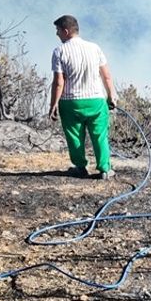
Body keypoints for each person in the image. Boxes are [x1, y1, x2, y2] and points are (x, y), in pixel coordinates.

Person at [49, 15, 117, 180]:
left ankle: (80, 167)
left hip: (70, 102)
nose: (57, 34)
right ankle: (105, 169)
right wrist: (111, 96)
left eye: (58, 31)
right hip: (96, 100)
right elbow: (106, 76)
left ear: (66, 31)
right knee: (100, 135)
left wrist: (53, 104)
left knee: (75, 136)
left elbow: (59, 82)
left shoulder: (60, 51)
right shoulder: (95, 48)